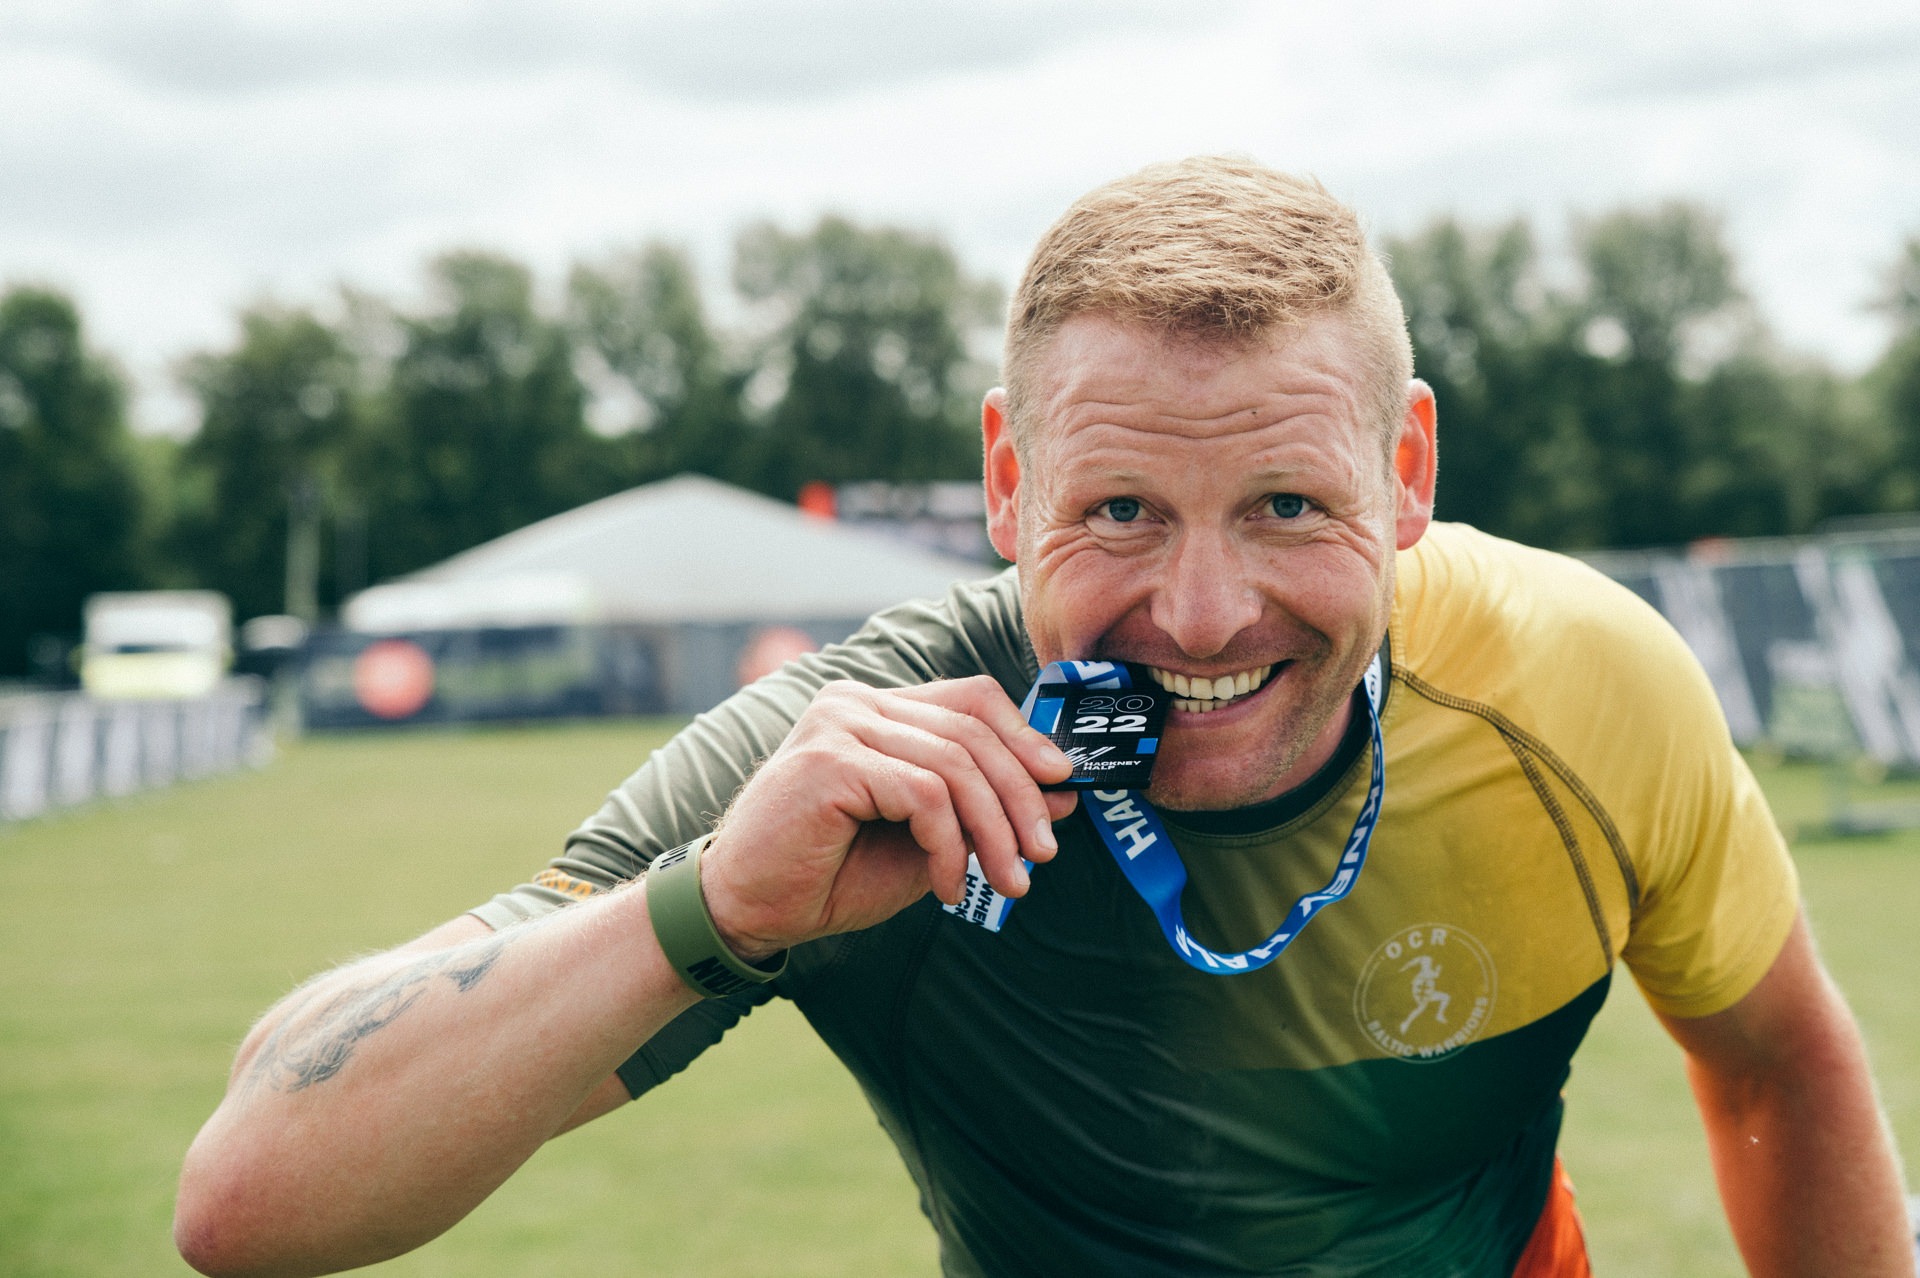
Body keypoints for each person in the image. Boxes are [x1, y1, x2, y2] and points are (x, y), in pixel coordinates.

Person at [175, 157, 1914, 1277]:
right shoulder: (872, 748)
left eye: (1289, 507)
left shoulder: (1585, 682)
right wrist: (711, 912)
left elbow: (1777, 1057)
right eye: (1123, 512)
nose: (1207, 612)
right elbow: (249, 1204)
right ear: (1008, 483)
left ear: (1410, 474)